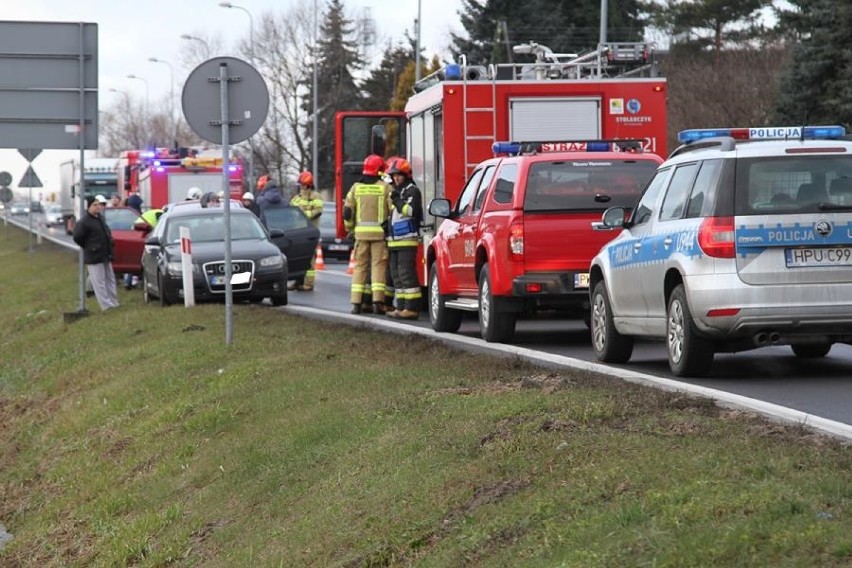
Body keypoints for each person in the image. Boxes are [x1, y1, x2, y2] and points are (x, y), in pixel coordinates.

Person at [343, 154, 392, 314]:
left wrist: (350, 229)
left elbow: (347, 212)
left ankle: (356, 304)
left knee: (360, 268)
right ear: (378, 170)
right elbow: (393, 210)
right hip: (379, 236)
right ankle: (378, 302)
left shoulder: (356, 188)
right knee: (378, 267)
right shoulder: (385, 187)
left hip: (360, 236)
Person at [385, 158, 423, 319]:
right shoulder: (398, 191)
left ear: (406, 175)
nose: (395, 178)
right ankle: (401, 307)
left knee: (406, 273)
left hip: (407, 240)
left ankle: (412, 308)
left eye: (399, 175)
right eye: (394, 176)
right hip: (394, 240)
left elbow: (410, 211)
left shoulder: (412, 191)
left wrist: (397, 200)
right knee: (396, 274)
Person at [72, 194, 120, 311]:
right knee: (99, 282)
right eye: (95, 205)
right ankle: (106, 305)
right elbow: (77, 237)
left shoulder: (100, 219)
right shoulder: (84, 222)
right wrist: (89, 246)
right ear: (89, 206)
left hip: (105, 254)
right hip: (93, 255)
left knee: (110, 279)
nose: (98, 207)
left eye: (99, 204)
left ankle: (114, 302)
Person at [289, 170, 324, 291]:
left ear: (308, 184)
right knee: (298, 259)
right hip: (298, 232)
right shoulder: (296, 198)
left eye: (303, 184)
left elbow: (317, 211)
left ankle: (308, 284)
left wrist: (303, 215)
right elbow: (290, 211)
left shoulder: (315, 196)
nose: (301, 187)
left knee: (309, 259)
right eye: (301, 184)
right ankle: (298, 281)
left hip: (310, 233)